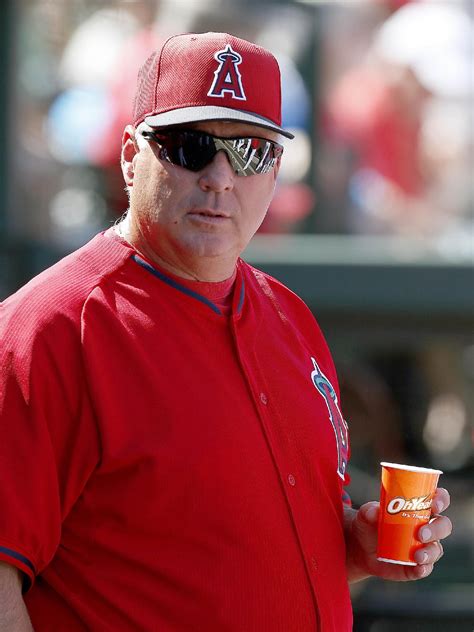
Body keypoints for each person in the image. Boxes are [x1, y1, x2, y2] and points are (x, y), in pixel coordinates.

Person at [0, 32, 452, 632]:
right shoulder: (48, 328)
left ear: (276, 171)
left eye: (249, 151)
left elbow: (229, 542)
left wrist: (354, 546)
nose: (219, 177)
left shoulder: (289, 316)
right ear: (131, 156)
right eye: (189, 147)